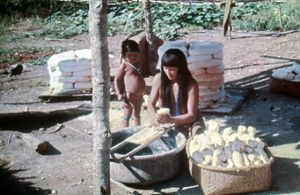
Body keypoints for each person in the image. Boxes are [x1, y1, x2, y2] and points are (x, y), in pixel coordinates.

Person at [147, 48, 206, 138]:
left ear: (180, 69)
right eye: (165, 68)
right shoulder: (159, 78)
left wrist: (170, 120)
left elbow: (191, 115)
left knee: (198, 137)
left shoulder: (191, 84)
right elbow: (150, 104)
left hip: (189, 122)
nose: (168, 72)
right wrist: (155, 117)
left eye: (172, 69)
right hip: (169, 123)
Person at [114, 39, 146, 127]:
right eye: (130, 55)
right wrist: (119, 93)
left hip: (140, 95)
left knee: (137, 113)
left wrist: (144, 88)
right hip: (129, 95)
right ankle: (125, 131)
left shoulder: (138, 64)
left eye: (135, 55)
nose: (133, 57)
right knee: (127, 114)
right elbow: (116, 79)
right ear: (124, 55)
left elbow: (139, 77)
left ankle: (137, 129)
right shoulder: (124, 65)